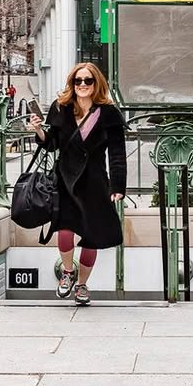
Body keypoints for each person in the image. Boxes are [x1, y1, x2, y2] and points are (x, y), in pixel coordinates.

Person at [27, 62, 126, 306]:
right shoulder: (61, 108)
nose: (82, 85)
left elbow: (116, 153)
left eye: (88, 81)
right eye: (77, 81)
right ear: (72, 83)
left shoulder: (109, 113)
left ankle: (82, 285)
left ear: (96, 84)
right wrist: (38, 130)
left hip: (95, 181)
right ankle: (68, 273)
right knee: (64, 228)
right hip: (66, 179)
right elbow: (52, 144)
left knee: (92, 236)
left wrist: (118, 187)